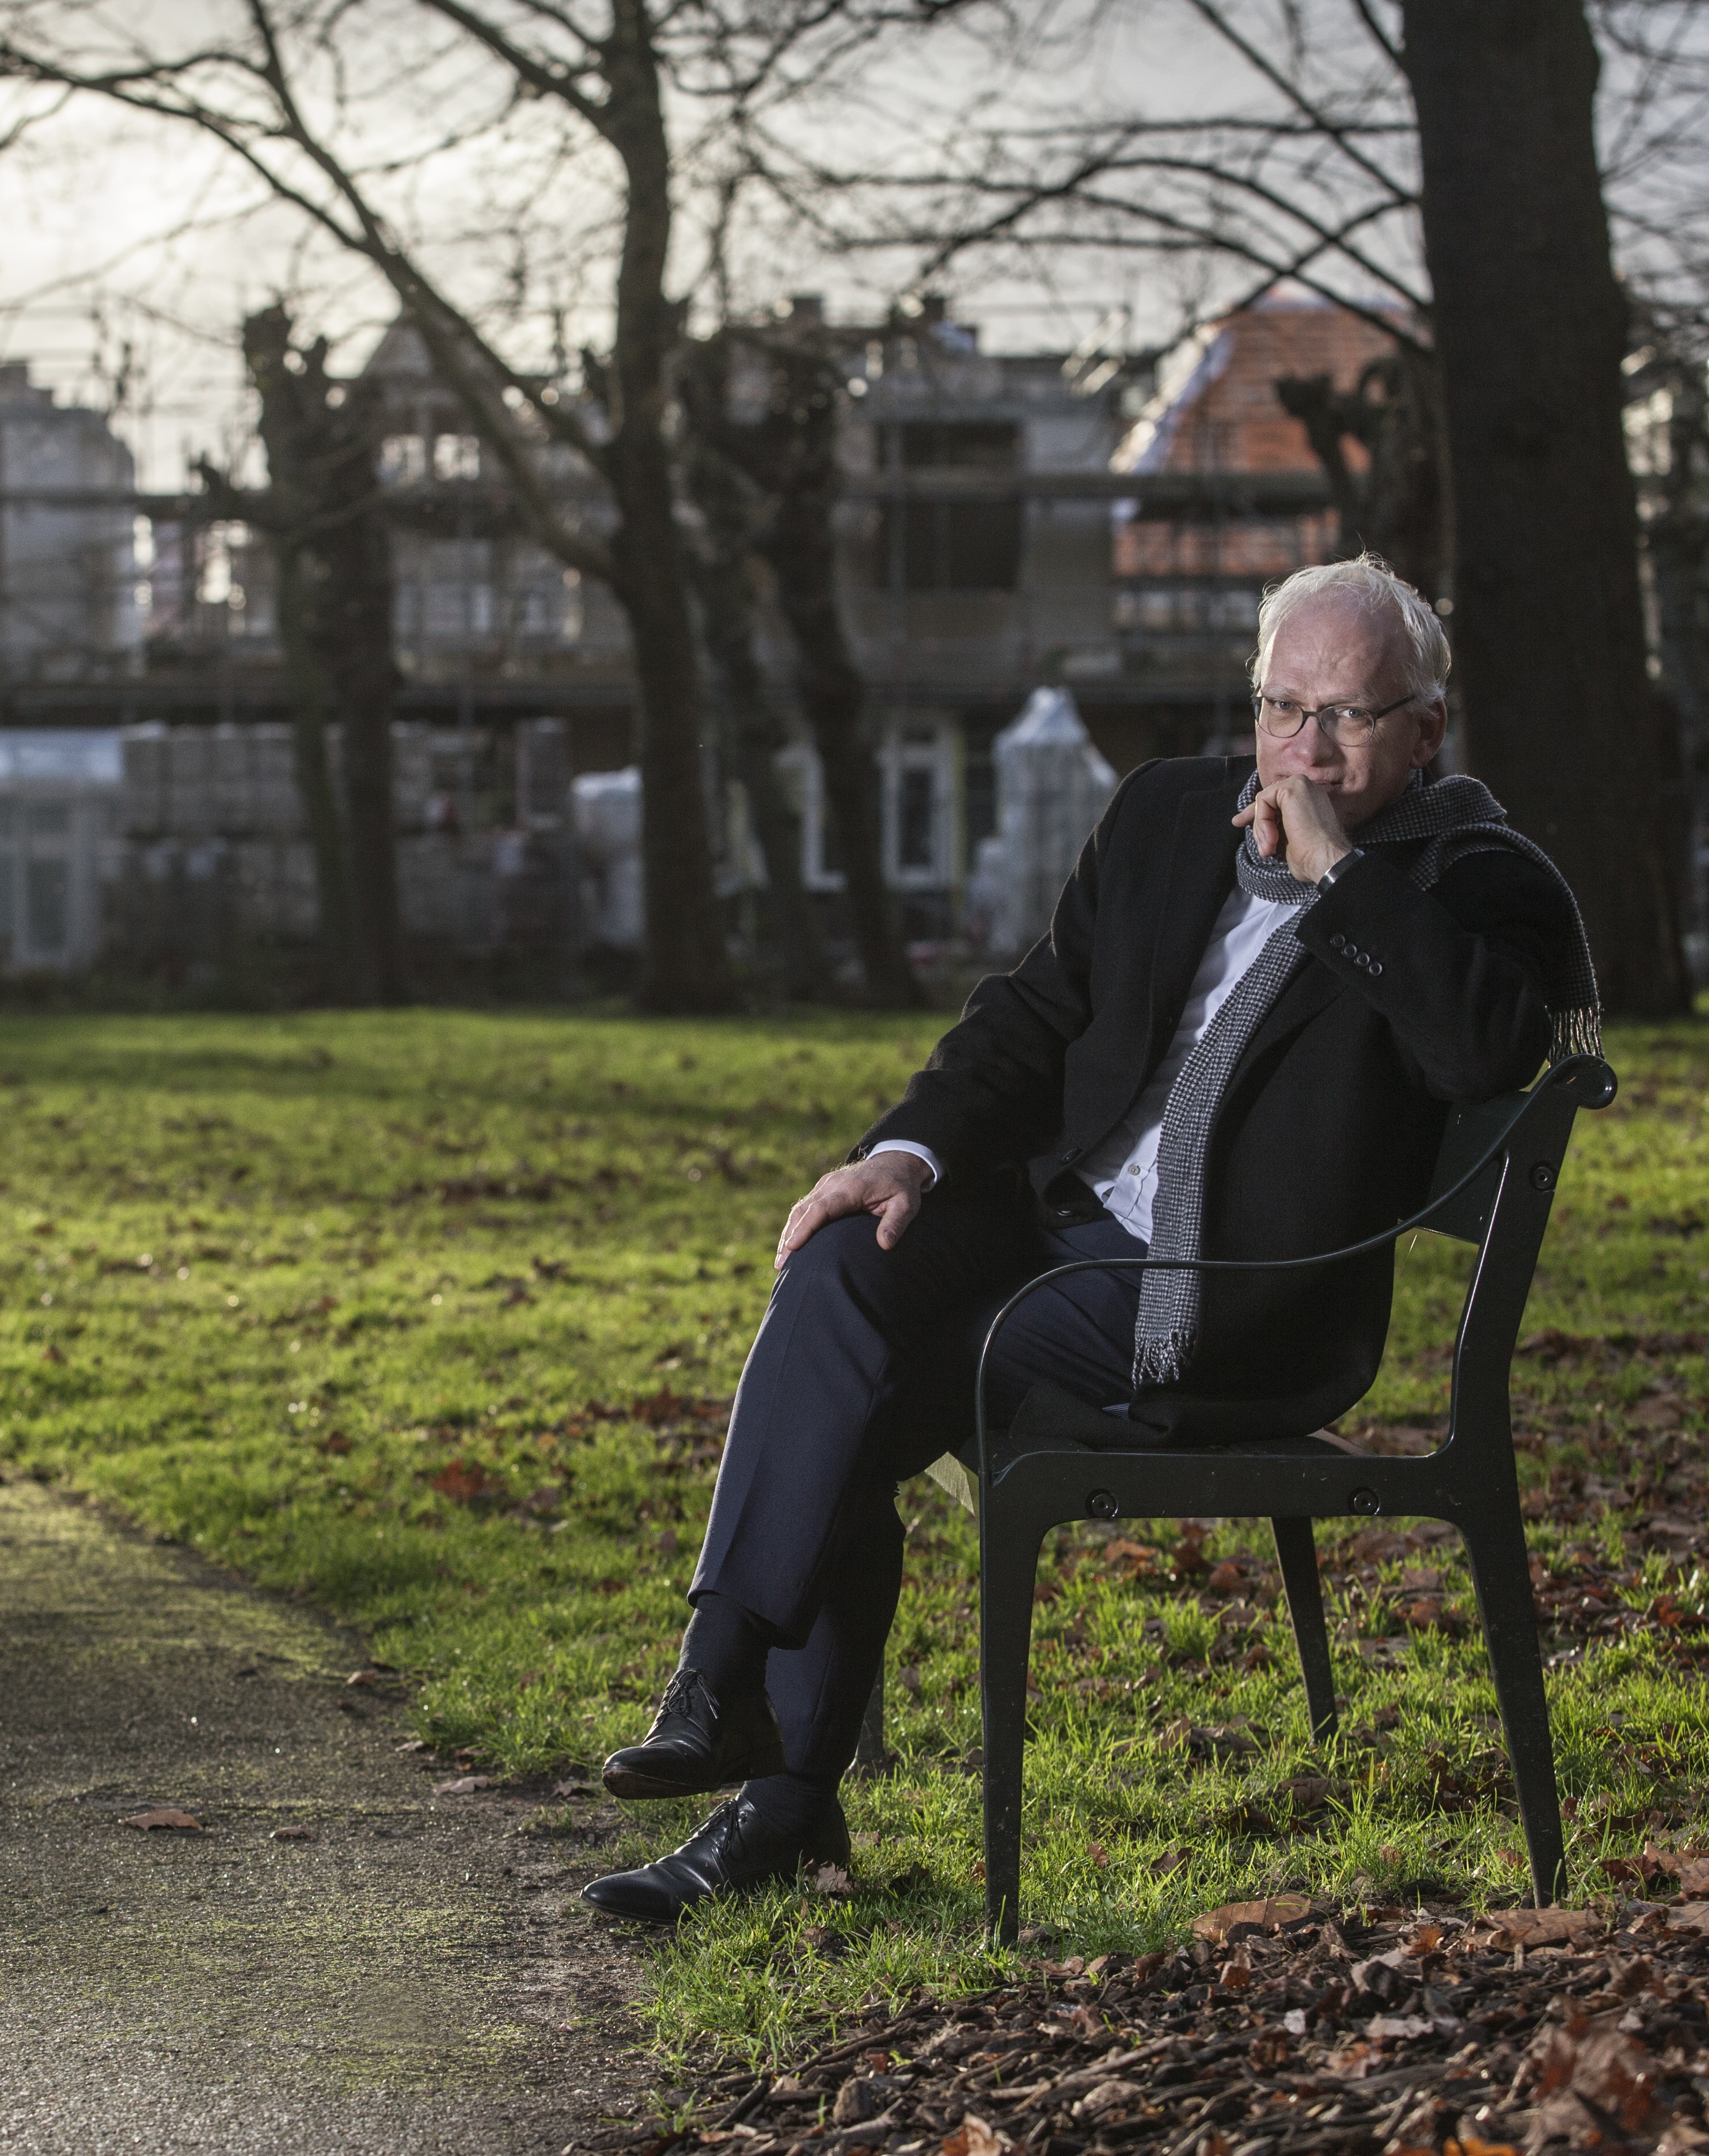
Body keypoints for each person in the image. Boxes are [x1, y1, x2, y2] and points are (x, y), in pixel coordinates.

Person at [582, 555, 1598, 1923]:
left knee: (858, 1406)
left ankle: (770, 1800)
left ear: (1425, 729)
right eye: (1282, 707)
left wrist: (1344, 877)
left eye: (1348, 717)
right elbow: (1039, 1012)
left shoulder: (1479, 880)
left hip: (1236, 1296)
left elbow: (1486, 1048)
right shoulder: (1171, 812)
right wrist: (905, 1150)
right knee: (840, 1266)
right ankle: (716, 1684)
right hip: (1064, 1225)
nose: (1306, 749)